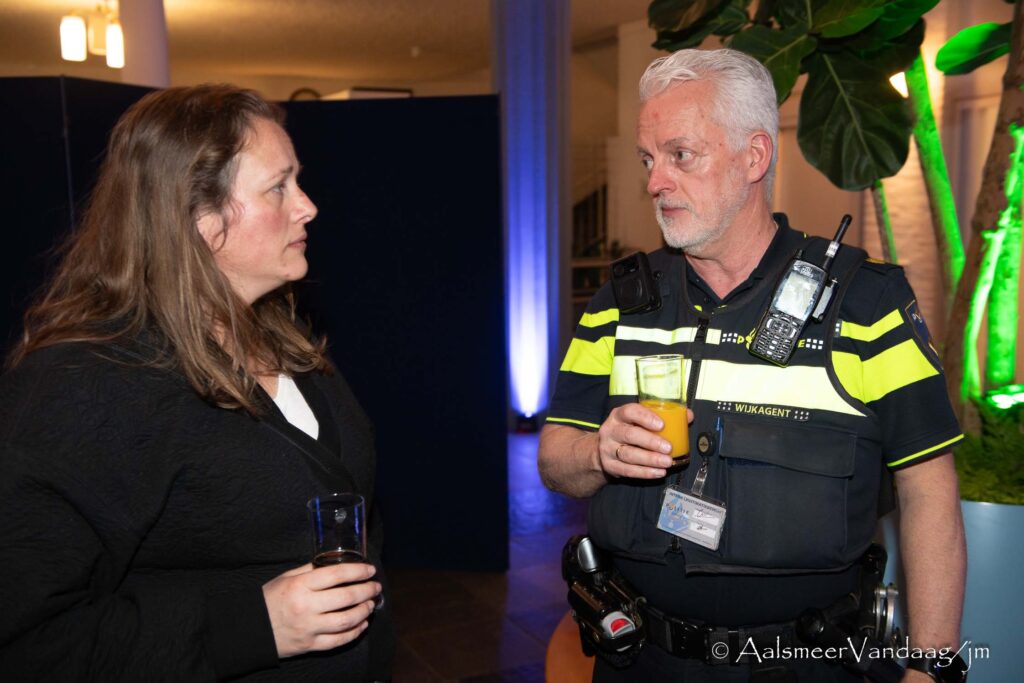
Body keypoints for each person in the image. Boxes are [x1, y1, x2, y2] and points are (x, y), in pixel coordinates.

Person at [539, 49, 967, 682]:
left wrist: (930, 669)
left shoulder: (866, 307)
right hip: (642, 661)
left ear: (754, 156)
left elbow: (928, 490)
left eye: (681, 155)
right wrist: (598, 453)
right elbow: (555, 456)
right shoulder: (618, 306)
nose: (656, 181)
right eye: (648, 159)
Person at [0, 85, 394, 680]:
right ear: (198, 218)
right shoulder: (84, 384)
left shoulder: (280, 334)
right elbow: (29, 643)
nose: (308, 206)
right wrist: (253, 627)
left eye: (298, 181)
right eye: (278, 187)